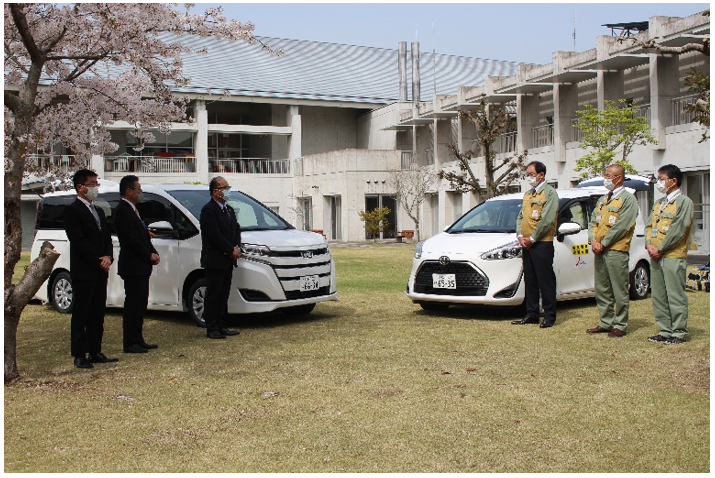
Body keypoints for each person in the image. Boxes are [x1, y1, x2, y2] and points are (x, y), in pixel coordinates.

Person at [63, 169, 117, 368]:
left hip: (100, 270)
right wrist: (97, 259)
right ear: (81, 187)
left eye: (96, 183)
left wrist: (108, 257)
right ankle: (79, 354)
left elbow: (106, 238)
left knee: (97, 311)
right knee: (82, 312)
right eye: (92, 184)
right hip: (84, 270)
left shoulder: (99, 211)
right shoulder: (73, 211)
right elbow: (78, 241)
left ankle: (95, 350)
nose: (96, 187)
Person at [586, 164, 638, 338]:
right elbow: (593, 222)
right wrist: (593, 240)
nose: (606, 178)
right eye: (605, 175)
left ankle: (620, 324)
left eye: (609, 176)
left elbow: (622, 225)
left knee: (619, 288)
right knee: (602, 288)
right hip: (599, 250)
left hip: (616, 250)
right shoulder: (603, 199)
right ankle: (605, 322)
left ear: (619, 178)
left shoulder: (628, 199)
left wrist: (604, 242)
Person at [645, 164, 694, 345]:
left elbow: (678, 230)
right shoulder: (659, 203)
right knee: (659, 295)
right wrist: (649, 245)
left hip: (672, 255)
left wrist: (661, 248)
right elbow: (650, 226)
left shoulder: (684, 202)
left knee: (675, 295)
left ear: (673, 181)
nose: (659, 182)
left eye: (662, 179)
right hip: (656, 255)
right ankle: (664, 330)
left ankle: (678, 332)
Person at [115, 175, 161, 353]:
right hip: (133, 265)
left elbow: (143, 235)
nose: (140, 193)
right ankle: (130, 342)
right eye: (138, 189)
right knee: (133, 304)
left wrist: (153, 252)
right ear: (129, 191)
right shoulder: (122, 210)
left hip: (142, 265)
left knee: (141, 303)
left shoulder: (134, 210)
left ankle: (138, 338)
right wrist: (147, 254)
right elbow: (131, 239)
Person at [512, 161, 559, 328]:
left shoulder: (549, 193)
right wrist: (520, 236)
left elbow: (547, 220)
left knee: (545, 280)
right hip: (526, 243)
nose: (529, 177)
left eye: (532, 174)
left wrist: (532, 239)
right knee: (530, 279)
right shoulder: (528, 194)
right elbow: (520, 217)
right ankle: (531, 313)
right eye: (528, 174)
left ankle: (549, 315)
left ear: (541, 175)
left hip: (541, 243)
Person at [199, 176, 241, 339]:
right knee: (214, 293)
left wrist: (236, 247)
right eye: (224, 188)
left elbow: (235, 230)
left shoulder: (228, 209)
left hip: (228, 259)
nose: (227, 190)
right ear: (215, 191)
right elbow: (214, 234)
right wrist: (229, 249)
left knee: (224, 293)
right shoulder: (208, 210)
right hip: (215, 259)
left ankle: (222, 324)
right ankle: (212, 327)